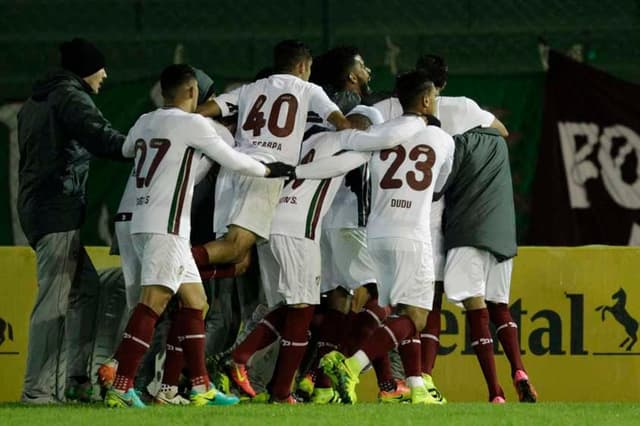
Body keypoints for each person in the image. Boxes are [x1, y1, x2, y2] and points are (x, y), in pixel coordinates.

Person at [98, 64, 292, 408]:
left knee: (195, 302)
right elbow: (233, 160)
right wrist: (268, 169)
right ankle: (122, 383)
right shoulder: (194, 124)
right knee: (153, 303)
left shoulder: (145, 121)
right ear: (192, 92)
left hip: (143, 219)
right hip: (167, 224)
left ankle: (195, 386)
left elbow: (128, 150)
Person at [300, 71, 455, 404]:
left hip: (376, 231)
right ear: (427, 100)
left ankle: (414, 386)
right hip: (412, 234)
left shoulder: (378, 135)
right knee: (416, 316)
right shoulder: (442, 139)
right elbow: (440, 187)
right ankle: (351, 367)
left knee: (394, 311)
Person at [372, 53, 509, 403]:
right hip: (433, 219)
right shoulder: (462, 108)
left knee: (384, 304)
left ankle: (398, 382)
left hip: (383, 214)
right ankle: (420, 379)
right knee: (426, 306)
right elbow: (500, 134)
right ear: (438, 86)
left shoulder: (390, 110)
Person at [17, 37, 128, 404]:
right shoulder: (70, 95)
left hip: (40, 207)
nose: (105, 75)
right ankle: (38, 391)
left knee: (87, 290)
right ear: (85, 69)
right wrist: (142, 146)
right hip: (56, 207)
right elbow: (99, 136)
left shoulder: (37, 101)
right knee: (55, 299)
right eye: (100, 67)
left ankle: (76, 380)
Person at [192, 40, 350, 272]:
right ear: (304, 66)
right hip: (265, 172)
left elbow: (201, 112)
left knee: (239, 260)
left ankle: (183, 283)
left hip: (233, 170)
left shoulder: (249, 89)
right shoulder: (308, 89)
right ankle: (176, 261)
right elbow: (342, 124)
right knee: (234, 248)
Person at [437, 127, 538, 403]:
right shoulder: (499, 145)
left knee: (476, 308)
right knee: (500, 307)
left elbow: (439, 187)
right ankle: (520, 370)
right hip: (504, 236)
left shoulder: (458, 144)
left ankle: (495, 391)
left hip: (468, 233)